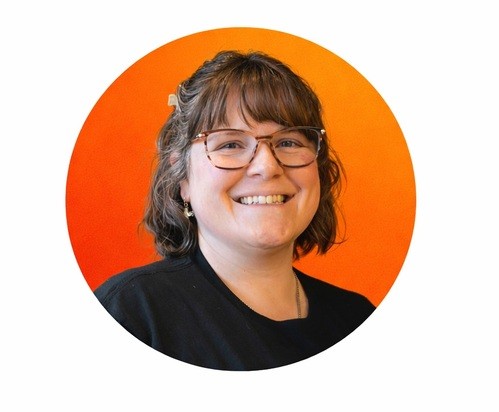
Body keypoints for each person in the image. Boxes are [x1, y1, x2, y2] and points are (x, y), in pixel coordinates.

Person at [95, 50, 375, 371]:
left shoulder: (357, 318)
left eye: (289, 142)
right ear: (182, 178)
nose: (267, 167)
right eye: (230, 144)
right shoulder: (130, 314)